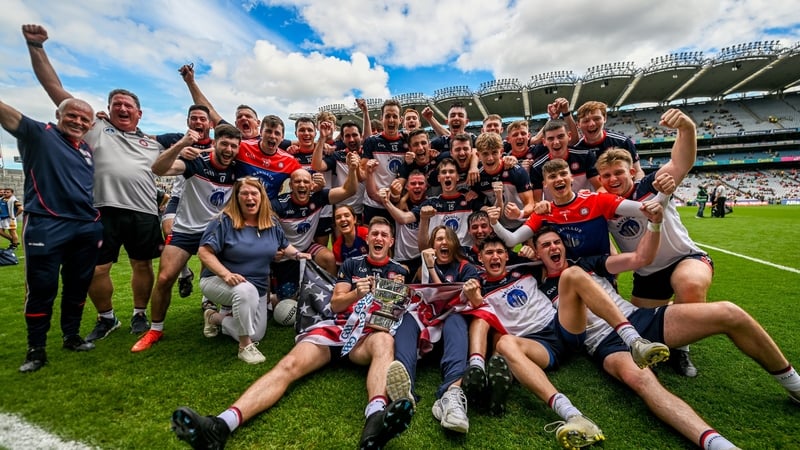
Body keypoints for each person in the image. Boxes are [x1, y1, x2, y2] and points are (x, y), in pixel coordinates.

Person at [531, 226, 800, 449]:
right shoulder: (537, 283)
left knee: (731, 313)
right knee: (643, 381)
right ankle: (719, 445)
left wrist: (655, 222)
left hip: (638, 319)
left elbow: (636, 259)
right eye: (545, 245)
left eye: (557, 242)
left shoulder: (587, 263)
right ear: (536, 252)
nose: (554, 247)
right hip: (605, 342)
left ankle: (794, 385)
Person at [170, 217, 414, 449]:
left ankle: (375, 420)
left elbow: (393, 315)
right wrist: (355, 294)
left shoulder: (399, 271)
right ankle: (221, 425)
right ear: (368, 238)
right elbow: (336, 304)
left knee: (384, 340)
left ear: (391, 241)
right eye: (374, 234)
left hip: (367, 336)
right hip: (336, 327)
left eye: (384, 235)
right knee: (288, 365)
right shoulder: (353, 264)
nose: (378, 238)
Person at [24, 24, 165, 339]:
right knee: (96, 269)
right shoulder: (94, 126)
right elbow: (55, 90)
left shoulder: (152, 143)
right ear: (109, 109)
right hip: (100, 209)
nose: (123, 108)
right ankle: (107, 317)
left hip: (142, 211)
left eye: (129, 106)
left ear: (140, 113)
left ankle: (139, 315)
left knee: (143, 265)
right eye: (118, 104)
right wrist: (36, 47)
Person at [461, 235, 668, 449]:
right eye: (489, 253)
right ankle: (573, 415)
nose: (495, 256)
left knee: (572, 274)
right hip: (539, 344)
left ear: (506, 255)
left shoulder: (526, 268)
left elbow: (546, 257)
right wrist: (475, 298)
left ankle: (634, 341)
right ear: (481, 259)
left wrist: (530, 250)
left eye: (499, 252)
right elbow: (483, 316)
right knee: (504, 344)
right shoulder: (479, 286)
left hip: (561, 326)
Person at [595, 109, 710, 376]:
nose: (613, 179)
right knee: (642, 326)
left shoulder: (652, 184)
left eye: (618, 173)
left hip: (684, 257)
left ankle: (683, 350)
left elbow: (681, 163)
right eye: (607, 175)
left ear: (632, 171)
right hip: (647, 273)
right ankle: (672, 313)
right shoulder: (605, 206)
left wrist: (687, 128)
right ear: (600, 179)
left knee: (690, 286)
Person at [1, 93, 103, 372]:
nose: (78, 121)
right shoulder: (39, 133)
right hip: (47, 222)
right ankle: (36, 348)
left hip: (86, 224)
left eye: (85, 118)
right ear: (58, 116)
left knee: (78, 284)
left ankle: (71, 335)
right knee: (42, 286)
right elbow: (7, 114)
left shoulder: (86, 149)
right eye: (72, 115)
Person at [130, 124, 243, 353]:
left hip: (216, 232)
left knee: (227, 277)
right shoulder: (196, 162)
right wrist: (181, 145)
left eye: (233, 145)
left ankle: (216, 316)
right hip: (186, 231)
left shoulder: (238, 170)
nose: (229, 149)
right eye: (225, 143)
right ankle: (155, 329)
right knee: (164, 278)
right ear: (215, 143)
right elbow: (158, 169)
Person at [198, 177, 310, 363]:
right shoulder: (223, 221)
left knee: (256, 333)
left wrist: (298, 255)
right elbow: (204, 252)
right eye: (245, 193)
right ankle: (245, 346)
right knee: (244, 291)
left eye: (254, 193)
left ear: (261, 197)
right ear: (237, 197)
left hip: (257, 287)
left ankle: (214, 317)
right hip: (219, 281)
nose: (250, 198)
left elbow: (285, 245)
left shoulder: (271, 222)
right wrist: (226, 274)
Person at [394, 226, 480, 433]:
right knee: (406, 320)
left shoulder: (466, 268)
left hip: (452, 332)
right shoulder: (421, 269)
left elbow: (453, 298)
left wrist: (431, 269)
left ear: (454, 244)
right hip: (426, 328)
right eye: (438, 239)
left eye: (446, 239)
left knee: (456, 318)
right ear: (432, 246)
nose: (442, 243)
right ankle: (404, 390)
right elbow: (414, 300)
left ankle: (452, 393)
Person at [154, 104, 217, 302]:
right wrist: (181, 147)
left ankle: (206, 298)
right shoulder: (176, 139)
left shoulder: (217, 143)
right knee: (169, 230)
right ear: (188, 121)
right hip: (178, 197)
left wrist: (205, 150)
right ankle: (184, 273)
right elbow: (142, 136)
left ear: (210, 123)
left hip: (203, 201)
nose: (198, 122)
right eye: (194, 118)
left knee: (208, 246)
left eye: (202, 119)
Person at [529, 119, 600, 202]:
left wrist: (592, 197)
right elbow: (537, 201)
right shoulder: (537, 167)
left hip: (585, 208)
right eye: (551, 139)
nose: (556, 142)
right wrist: (542, 206)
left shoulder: (585, 156)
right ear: (544, 142)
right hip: (557, 211)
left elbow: (600, 187)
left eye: (560, 136)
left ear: (569, 136)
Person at [361, 99, 408, 224]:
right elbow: (361, 175)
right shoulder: (372, 142)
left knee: (395, 242)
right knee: (372, 241)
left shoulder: (407, 142)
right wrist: (365, 169)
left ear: (400, 120)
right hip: (373, 205)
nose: (391, 120)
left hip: (397, 205)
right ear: (382, 119)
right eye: (387, 116)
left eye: (394, 116)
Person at [574, 100, 644, 180]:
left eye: (597, 119)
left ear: (604, 119)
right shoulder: (576, 149)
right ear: (578, 125)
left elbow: (638, 171)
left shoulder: (622, 142)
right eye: (586, 121)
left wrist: (637, 189)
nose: (591, 124)